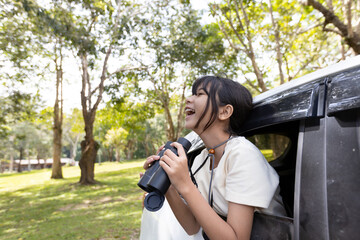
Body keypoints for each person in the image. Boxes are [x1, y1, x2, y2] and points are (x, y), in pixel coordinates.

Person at [141, 76, 286, 239]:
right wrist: (168, 183)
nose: (189, 99)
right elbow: (192, 226)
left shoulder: (243, 154)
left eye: (200, 94)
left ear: (225, 112)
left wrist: (184, 183)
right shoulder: (202, 157)